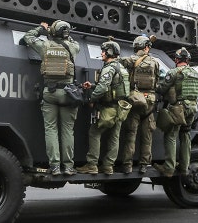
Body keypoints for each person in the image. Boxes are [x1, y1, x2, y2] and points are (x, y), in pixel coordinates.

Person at [21, 21, 80, 176]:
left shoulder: (45, 46)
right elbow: (73, 42)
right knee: (68, 130)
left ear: (53, 32)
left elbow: (28, 37)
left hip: (50, 93)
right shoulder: (73, 47)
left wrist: (42, 29)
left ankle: (54, 166)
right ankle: (68, 167)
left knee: (51, 129)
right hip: (68, 94)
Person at [76, 39, 130, 175]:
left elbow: (103, 87)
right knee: (114, 137)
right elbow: (114, 86)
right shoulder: (122, 68)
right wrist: (93, 85)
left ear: (110, 52)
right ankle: (108, 166)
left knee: (94, 132)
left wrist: (92, 98)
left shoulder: (109, 68)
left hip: (108, 109)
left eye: (104, 51)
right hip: (120, 108)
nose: (102, 53)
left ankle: (92, 165)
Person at [153, 47, 198, 177]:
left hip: (180, 108)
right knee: (185, 135)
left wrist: (155, 85)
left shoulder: (174, 73)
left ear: (176, 59)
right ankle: (184, 167)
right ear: (188, 60)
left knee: (170, 135)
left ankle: (169, 168)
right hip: (193, 108)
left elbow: (162, 89)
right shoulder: (195, 73)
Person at [118, 36, 162, 174]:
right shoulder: (155, 62)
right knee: (147, 137)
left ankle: (127, 165)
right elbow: (158, 81)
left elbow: (118, 62)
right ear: (146, 47)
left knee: (131, 135)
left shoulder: (131, 60)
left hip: (135, 101)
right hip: (149, 102)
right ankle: (144, 165)